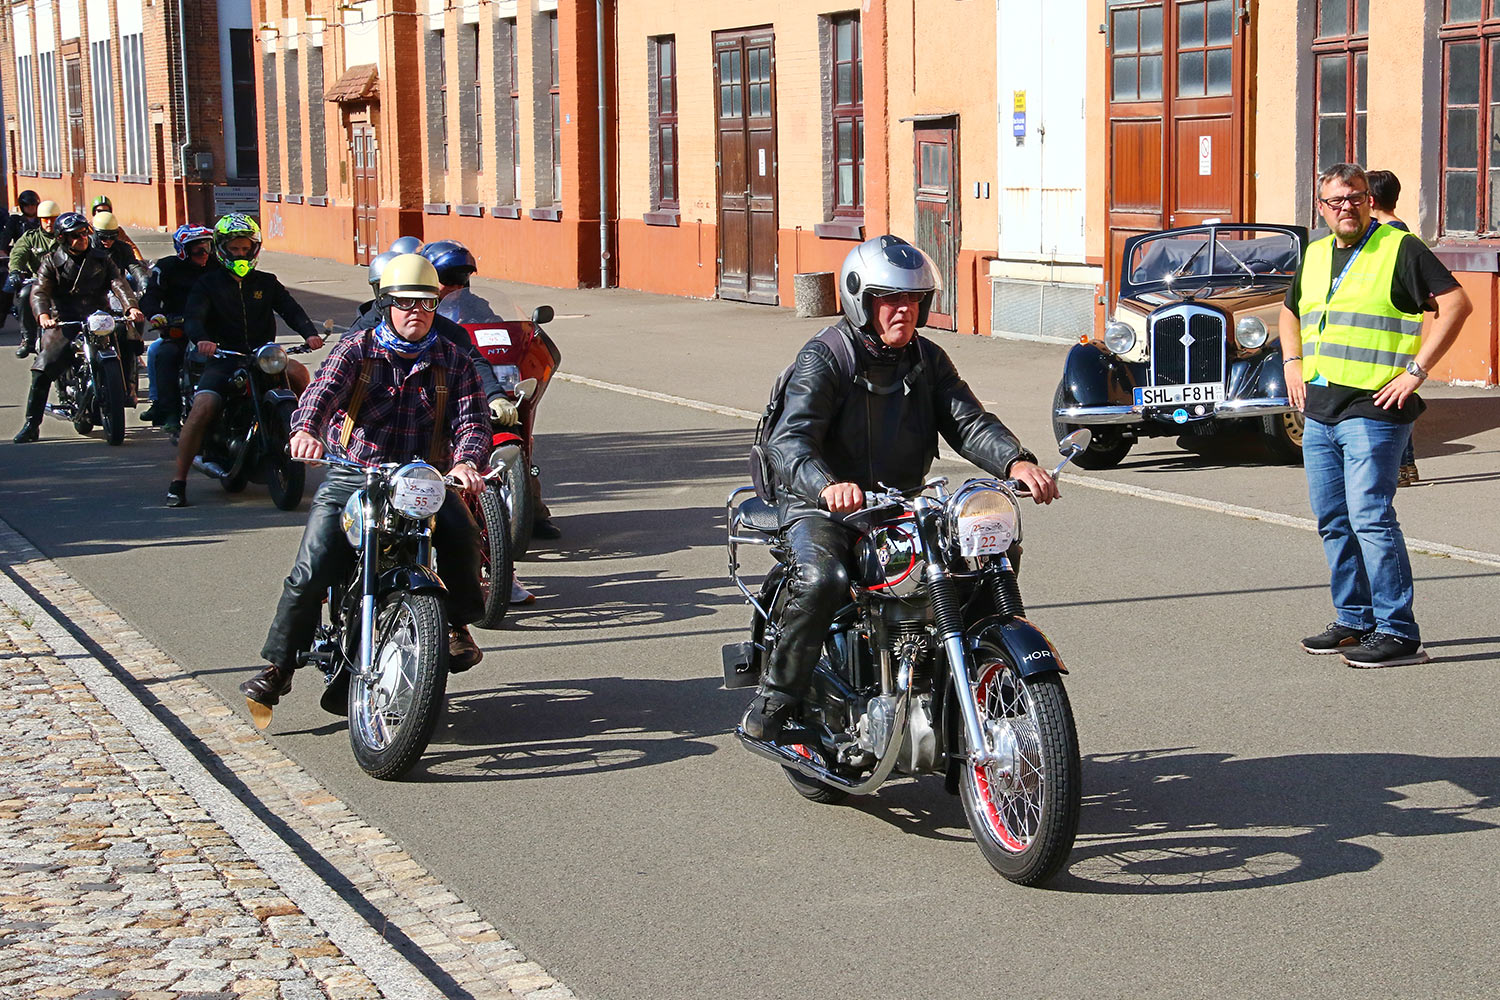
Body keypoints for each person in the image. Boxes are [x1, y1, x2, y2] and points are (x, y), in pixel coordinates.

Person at [742, 234, 1059, 742]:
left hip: (900, 501)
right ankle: (775, 701)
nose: (903, 311)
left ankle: (980, 674)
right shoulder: (825, 358)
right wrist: (827, 486)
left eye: (912, 300)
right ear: (860, 300)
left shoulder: (927, 360)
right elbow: (790, 440)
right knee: (824, 577)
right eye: (890, 300)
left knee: (987, 548)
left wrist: (1016, 461)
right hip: (822, 504)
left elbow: (968, 420)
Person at [242, 254, 490, 712]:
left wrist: (468, 463)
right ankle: (279, 668)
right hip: (357, 472)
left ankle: (454, 624)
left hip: (422, 478)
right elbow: (320, 393)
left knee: (463, 535)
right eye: (405, 302)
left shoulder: (452, 358)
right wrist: (304, 431)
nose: (416, 311)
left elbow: (472, 420)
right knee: (311, 569)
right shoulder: (357, 348)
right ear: (385, 303)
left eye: (427, 302)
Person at [1279, 163, 1472, 668]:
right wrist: (1292, 362)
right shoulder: (1316, 254)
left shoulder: (1398, 248)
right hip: (1321, 408)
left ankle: (1398, 632)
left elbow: (1456, 304)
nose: (1346, 207)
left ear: (1369, 201)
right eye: (1336, 200)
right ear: (1320, 208)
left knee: (1370, 518)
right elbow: (1289, 311)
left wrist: (1416, 371)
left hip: (1375, 408)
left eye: (1356, 197)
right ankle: (1354, 619)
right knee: (1333, 521)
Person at [167, 214, 323, 507]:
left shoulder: (266, 282)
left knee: (300, 374)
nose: (240, 254)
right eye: (234, 249)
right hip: (225, 357)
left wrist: (309, 333)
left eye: (245, 248)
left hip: (264, 356)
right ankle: (178, 481)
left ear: (254, 250)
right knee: (205, 406)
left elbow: (290, 309)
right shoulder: (207, 284)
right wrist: (202, 339)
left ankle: (309, 431)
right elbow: (194, 318)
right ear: (222, 249)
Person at [419, 238, 563, 545]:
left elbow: (484, 341)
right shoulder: (423, 312)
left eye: (463, 278)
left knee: (519, 439)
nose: (458, 285)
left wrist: (516, 343)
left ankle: (533, 514)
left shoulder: (475, 306)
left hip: (481, 383)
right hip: (439, 394)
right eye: (450, 279)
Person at [11, 213, 144, 443]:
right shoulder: (51, 261)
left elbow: (118, 282)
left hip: (99, 315)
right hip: (65, 318)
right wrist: (43, 315)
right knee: (45, 365)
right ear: (62, 238)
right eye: (75, 235)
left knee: (128, 336)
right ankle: (32, 424)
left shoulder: (102, 258)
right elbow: (40, 291)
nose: (82, 238)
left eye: (84, 233)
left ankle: (128, 389)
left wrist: (130, 307)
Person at [1366, 169, 1422, 488]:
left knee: (1389, 401)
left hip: (1387, 335)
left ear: (1371, 200)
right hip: (1402, 335)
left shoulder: (1389, 240)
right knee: (1396, 399)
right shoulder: (1407, 237)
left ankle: (1399, 465)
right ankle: (1406, 465)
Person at [139, 224, 214, 431]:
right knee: (165, 355)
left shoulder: (219, 267)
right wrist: (156, 314)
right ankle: (169, 411)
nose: (204, 254)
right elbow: (151, 296)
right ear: (183, 250)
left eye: (208, 247)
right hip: (179, 329)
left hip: (214, 329)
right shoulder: (167, 268)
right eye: (198, 249)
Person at [9, 200, 63, 357]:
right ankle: (28, 338)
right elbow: (18, 253)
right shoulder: (31, 237)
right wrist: (15, 271)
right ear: (40, 220)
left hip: (66, 280)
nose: (49, 223)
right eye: (46, 219)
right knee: (25, 295)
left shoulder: (67, 235)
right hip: (38, 281)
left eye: (53, 219)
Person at [89, 195, 141, 260]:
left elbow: (131, 247)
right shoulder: (87, 228)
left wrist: (141, 262)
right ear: (94, 212)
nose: (103, 213)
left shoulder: (116, 229)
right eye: (99, 211)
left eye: (112, 236)